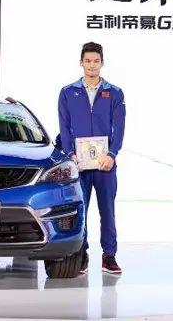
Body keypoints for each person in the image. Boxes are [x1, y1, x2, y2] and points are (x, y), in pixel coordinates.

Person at [58, 42, 126, 274]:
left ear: (102, 63)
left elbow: (119, 128)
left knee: (107, 211)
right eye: (88, 61)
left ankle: (109, 256)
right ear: (81, 63)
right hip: (79, 165)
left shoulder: (114, 92)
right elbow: (64, 128)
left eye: (96, 61)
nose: (92, 65)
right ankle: (81, 254)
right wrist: (71, 155)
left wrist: (112, 154)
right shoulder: (68, 92)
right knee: (81, 211)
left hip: (105, 164)